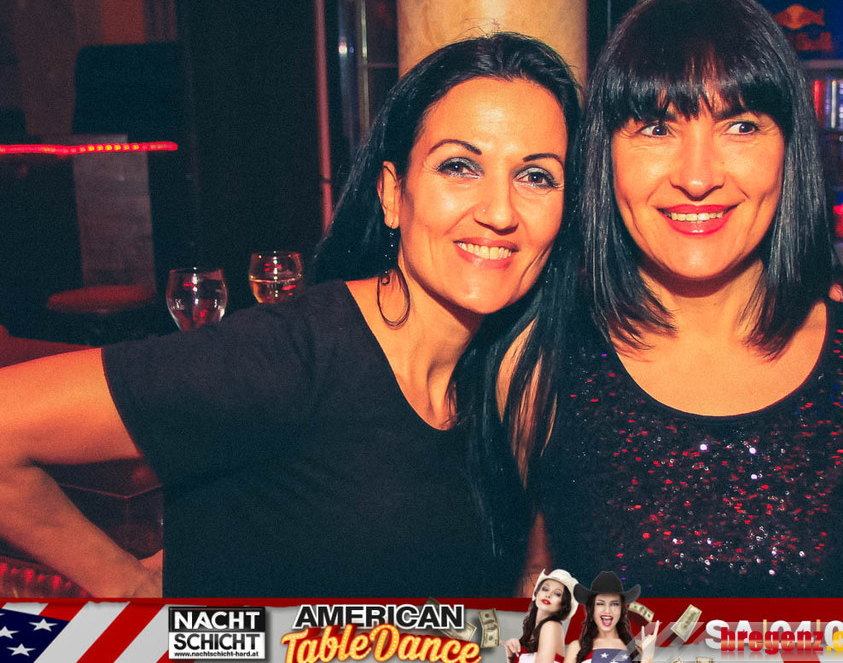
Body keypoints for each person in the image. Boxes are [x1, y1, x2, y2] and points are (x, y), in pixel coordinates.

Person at [0, 32, 581, 597]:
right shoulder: (294, 355)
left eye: (536, 176)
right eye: (459, 166)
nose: (500, 212)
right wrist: (127, 582)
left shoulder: (506, 372)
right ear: (391, 194)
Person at [500, 0, 843, 597]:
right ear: (606, 157)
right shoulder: (542, 365)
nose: (698, 176)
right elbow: (527, 602)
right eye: (656, 127)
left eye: (739, 126)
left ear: (789, 149)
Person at [564, 572, 657, 663]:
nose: (607, 611)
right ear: (592, 609)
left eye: (614, 604)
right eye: (600, 603)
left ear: (621, 609)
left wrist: (648, 657)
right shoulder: (576, 648)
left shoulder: (635, 649)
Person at [504, 569, 578, 663]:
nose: (548, 595)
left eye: (557, 594)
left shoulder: (551, 626)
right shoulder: (532, 632)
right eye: (545, 589)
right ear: (537, 593)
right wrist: (510, 655)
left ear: (563, 604)